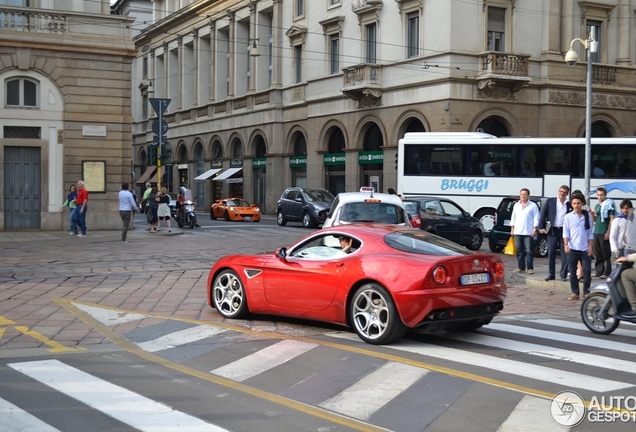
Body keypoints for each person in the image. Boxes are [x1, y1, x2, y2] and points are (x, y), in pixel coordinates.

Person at [563, 193, 594, 300]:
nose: (576, 206)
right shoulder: (568, 217)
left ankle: (586, 292)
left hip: (584, 247)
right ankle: (575, 292)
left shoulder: (587, 216)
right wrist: (566, 244)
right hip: (573, 247)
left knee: (587, 271)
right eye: (574, 203)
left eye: (578, 203)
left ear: (582, 204)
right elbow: (566, 232)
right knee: (572, 272)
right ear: (571, 204)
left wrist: (590, 246)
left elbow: (590, 232)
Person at [539, 185, 572, 281]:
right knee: (551, 253)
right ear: (558, 191)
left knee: (564, 254)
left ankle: (563, 275)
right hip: (552, 230)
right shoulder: (551, 201)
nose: (562, 193)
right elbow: (543, 213)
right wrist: (541, 227)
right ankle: (551, 274)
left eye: (564, 192)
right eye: (561, 191)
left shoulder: (569, 204)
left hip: (564, 231)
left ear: (567, 194)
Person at [510, 188, 540, 274]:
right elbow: (513, 217)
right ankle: (521, 267)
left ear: (528, 196)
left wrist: (535, 229)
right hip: (517, 232)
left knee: (529, 250)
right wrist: (512, 229)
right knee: (519, 250)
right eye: (521, 194)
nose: (522, 196)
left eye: (524, 194)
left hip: (528, 231)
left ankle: (530, 268)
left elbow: (536, 218)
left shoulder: (533, 205)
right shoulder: (516, 205)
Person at [590, 186, 615, 278]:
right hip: (596, 231)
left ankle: (607, 271)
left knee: (606, 253)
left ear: (605, 195)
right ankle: (598, 271)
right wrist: (593, 214)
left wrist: (608, 232)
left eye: (601, 195)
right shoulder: (597, 206)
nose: (600, 197)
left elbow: (612, 219)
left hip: (604, 231)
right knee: (597, 253)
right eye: (598, 195)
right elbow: (596, 220)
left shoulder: (609, 205)